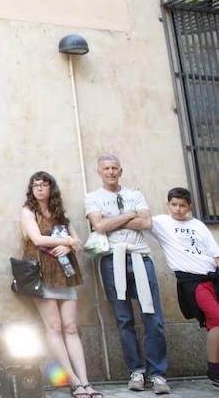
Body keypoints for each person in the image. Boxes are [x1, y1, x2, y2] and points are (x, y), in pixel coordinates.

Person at [85, 154, 169, 394]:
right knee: (124, 319)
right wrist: (130, 216)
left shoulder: (135, 194)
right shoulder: (93, 197)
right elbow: (99, 226)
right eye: (106, 168)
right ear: (99, 172)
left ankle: (158, 374)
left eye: (114, 168)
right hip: (113, 260)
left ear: (120, 171)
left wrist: (113, 220)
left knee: (153, 317)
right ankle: (137, 371)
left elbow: (146, 224)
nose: (110, 172)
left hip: (141, 257)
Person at [20, 171, 101, 398]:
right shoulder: (28, 211)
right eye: (35, 185)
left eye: (44, 185)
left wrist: (69, 245)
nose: (39, 189)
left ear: (50, 188)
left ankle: (85, 382)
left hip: (64, 273)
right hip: (41, 272)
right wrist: (66, 241)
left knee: (71, 327)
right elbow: (37, 239)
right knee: (54, 327)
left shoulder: (59, 212)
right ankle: (73, 382)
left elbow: (79, 243)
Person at [145, 187, 219, 387]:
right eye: (174, 205)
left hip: (213, 276)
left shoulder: (198, 225)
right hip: (191, 280)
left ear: (189, 207)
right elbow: (139, 221)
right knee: (217, 319)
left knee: (215, 324)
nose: (177, 209)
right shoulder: (161, 222)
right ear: (168, 204)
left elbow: (215, 253)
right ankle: (214, 370)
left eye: (182, 205)